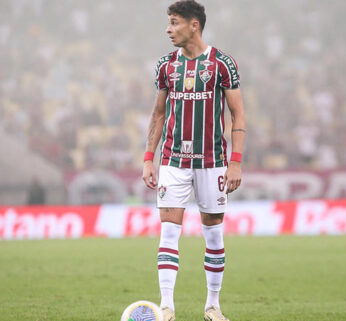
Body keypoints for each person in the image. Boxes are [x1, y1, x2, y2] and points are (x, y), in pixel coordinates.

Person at [142, 1, 246, 320]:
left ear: (193, 26)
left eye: (174, 23)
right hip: (173, 160)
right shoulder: (166, 65)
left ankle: (212, 306)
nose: (168, 29)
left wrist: (236, 162)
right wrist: (149, 158)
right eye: (168, 23)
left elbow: (237, 113)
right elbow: (159, 114)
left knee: (213, 234)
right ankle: (167, 307)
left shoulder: (221, 63)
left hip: (213, 161)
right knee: (169, 232)